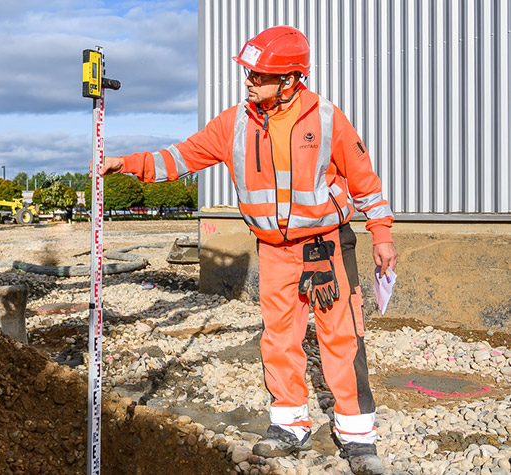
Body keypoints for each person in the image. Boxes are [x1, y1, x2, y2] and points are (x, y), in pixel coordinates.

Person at [99, 26, 397, 475]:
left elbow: (365, 182)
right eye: (249, 73)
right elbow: (183, 157)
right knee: (280, 338)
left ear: (292, 79)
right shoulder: (235, 122)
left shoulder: (329, 119)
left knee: (342, 337)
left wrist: (383, 235)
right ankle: (290, 424)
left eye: (259, 75)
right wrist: (128, 163)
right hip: (274, 251)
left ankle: (357, 436)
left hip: (327, 246)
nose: (249, 81)